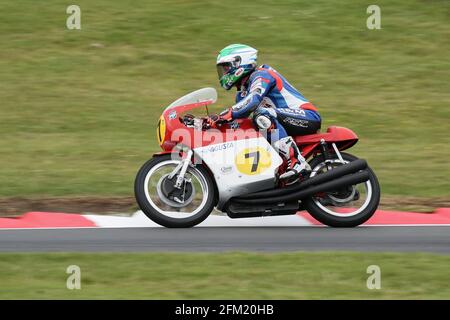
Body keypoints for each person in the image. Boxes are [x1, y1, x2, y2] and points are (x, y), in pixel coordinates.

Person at [213, 44, 322, 181]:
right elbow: (238, 121)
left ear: (240, 63)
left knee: (262, 114)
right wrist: (213, 124)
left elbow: (253, 100)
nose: (224, 72)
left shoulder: (262, 74)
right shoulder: (242, 94)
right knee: (248, 127)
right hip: (284, 120)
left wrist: (227, 113)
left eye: (226, 67)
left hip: (307, 116)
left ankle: (296, 161)